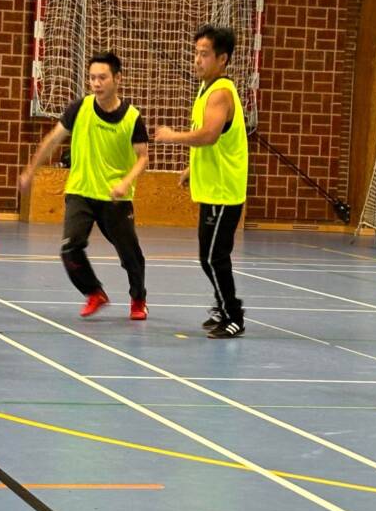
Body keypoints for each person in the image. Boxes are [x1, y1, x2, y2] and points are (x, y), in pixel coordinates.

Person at [18, 52, 150, 320]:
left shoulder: (132, 117)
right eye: (92, 78)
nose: (96, 83)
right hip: (80, 192)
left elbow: (143, 158)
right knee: (70, 248)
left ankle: (138, 298)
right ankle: (94, 292)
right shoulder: (79, 109)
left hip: (115, 198)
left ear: (118, 79)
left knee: (131, 255)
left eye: (102, 78)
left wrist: (125, 182)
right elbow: (52, 140)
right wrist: (31, 170)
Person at [155, 25, 248, 339]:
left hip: (224, 190)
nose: (197, 59)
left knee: (213, 257)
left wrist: (172, 137)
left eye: (204, 54)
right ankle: (224, 307)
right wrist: (192, 169)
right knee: (208, 257)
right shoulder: (205, 90)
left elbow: (209, 136)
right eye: (196, 53)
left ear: (222, 59)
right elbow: (216, 143)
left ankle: (233, 315)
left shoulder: (220, 93)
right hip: (211, 187)